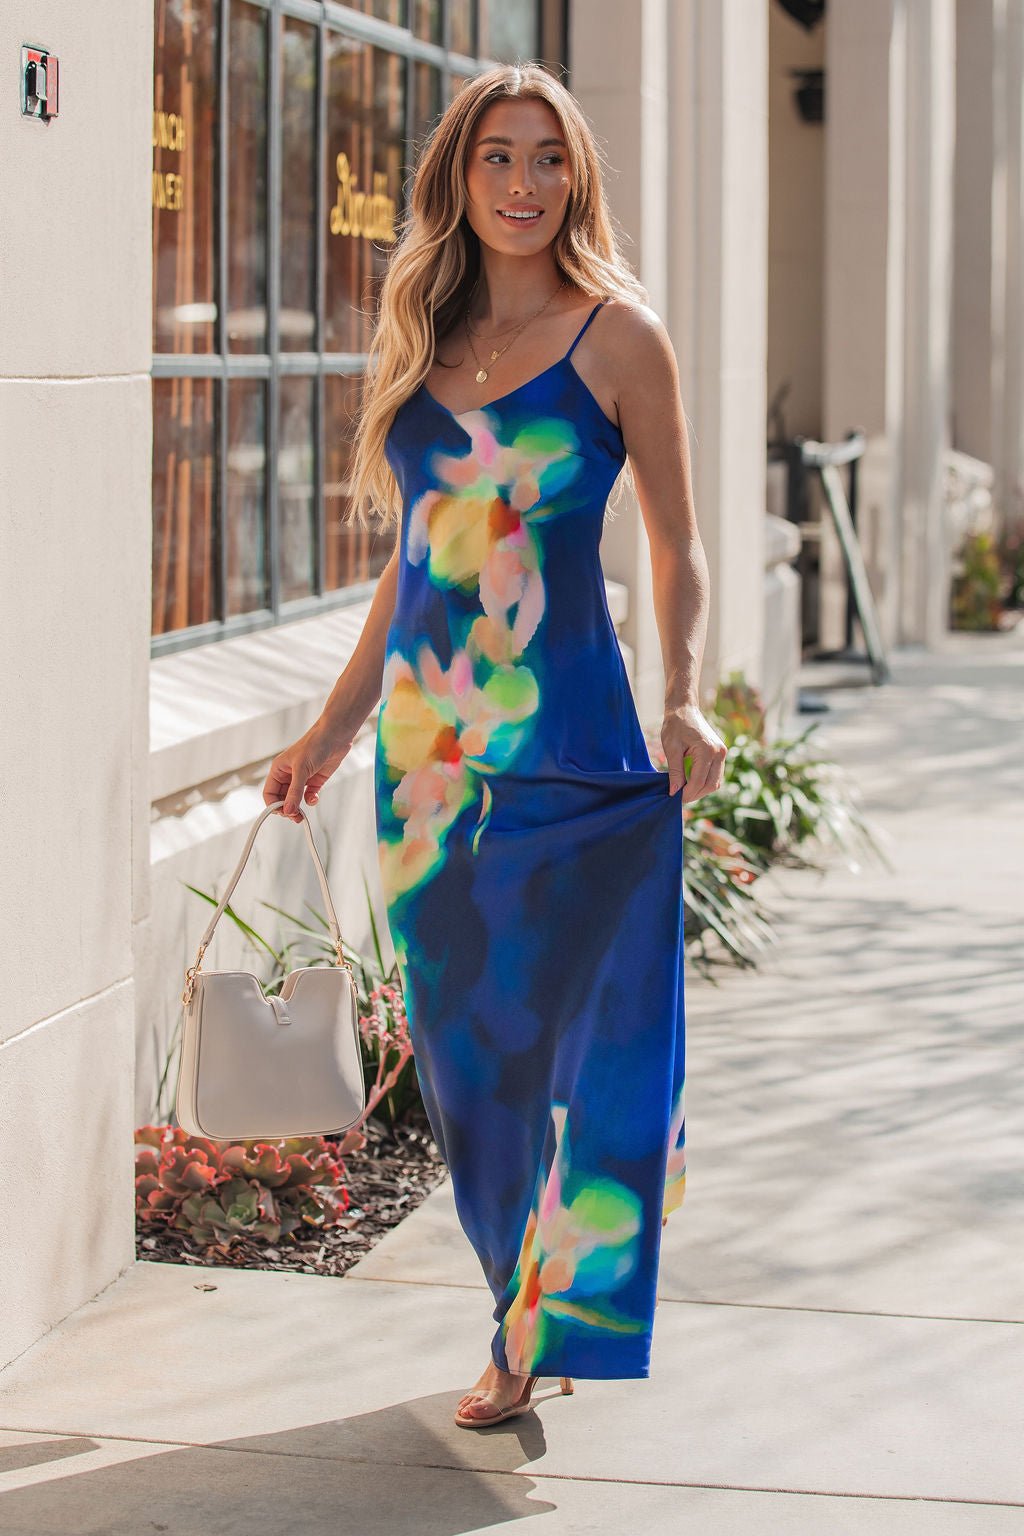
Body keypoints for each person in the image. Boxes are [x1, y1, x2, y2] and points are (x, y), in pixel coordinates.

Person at [262, 61, 725, 1429]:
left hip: (574, 748)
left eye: (548, 158)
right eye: (498, 158)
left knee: (583, 1045)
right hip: (430, 768)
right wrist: (332, 728)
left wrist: (684, 695)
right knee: (468, 1059)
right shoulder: (424, 336)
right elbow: (414, 563)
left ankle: (531, 1323)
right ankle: (521, 1287)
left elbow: (679, 546)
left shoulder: (620, 338)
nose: (524, 185)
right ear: (457, 178)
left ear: (576, 178)